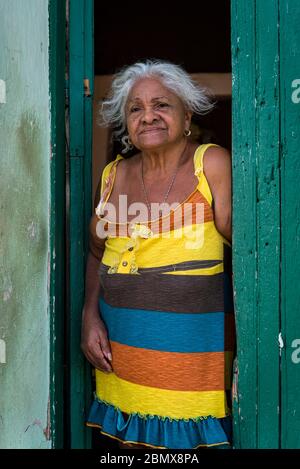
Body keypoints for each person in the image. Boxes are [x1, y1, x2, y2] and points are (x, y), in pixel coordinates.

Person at [81, 60, 235, 449]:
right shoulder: (112, 176)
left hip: (191, 372)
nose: (148, 116)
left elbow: (252, 251)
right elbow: (97, 252)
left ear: (186, 117)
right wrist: (89, 316)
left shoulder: (211, 164)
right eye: (135, 108)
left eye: (161, 105)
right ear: (126, 123)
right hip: (122, 368)